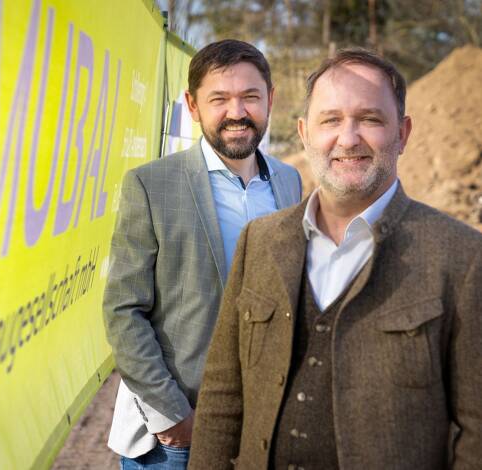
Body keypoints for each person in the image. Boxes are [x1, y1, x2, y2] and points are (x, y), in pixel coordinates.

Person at [189, 48, 482, 469]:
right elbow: (222, 396)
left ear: (403, 134)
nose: (348, 139)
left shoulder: (462, 257)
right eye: (330, 120)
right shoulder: (261, 242)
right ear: (304, 133)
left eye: (370, 119)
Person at [103, 39, 302, 469]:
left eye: (250, 97)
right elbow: (123, 311)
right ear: (193, 106)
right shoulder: (151, 186)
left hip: (260, 430)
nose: (237, 112)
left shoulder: (289, 182)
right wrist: (172, 416)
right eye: (219, 99)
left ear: (270, 100)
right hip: (176, 439)